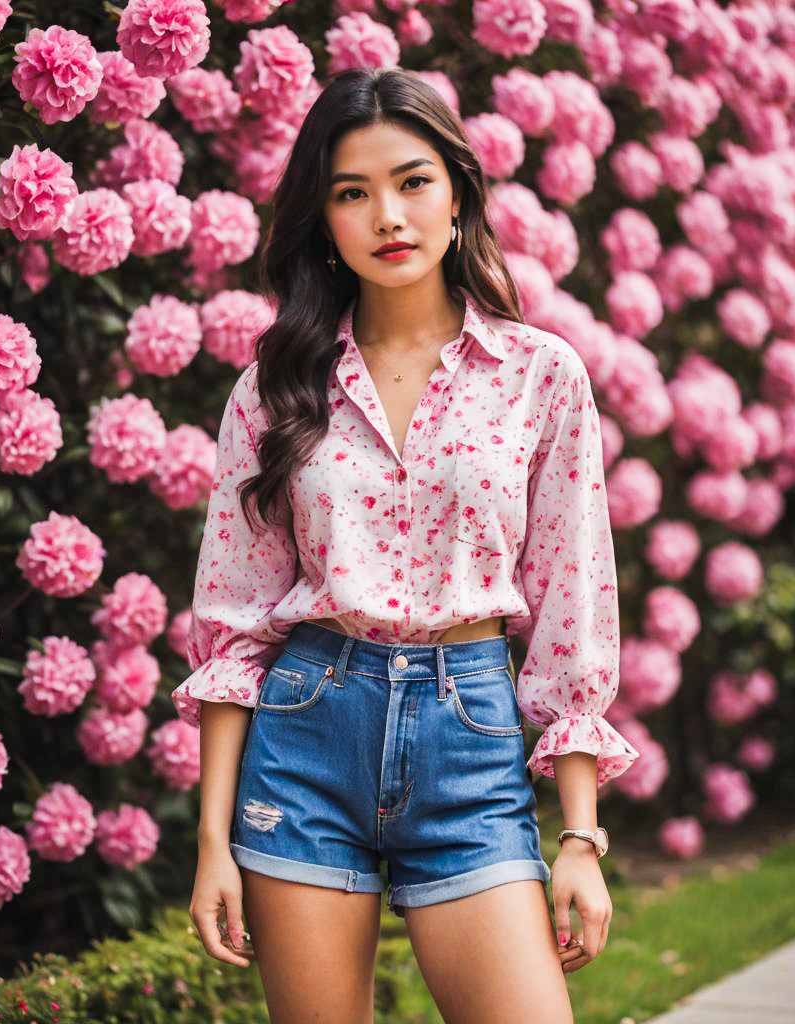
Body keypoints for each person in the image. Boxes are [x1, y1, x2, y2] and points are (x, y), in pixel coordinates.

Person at [173, 67, 639, 1024]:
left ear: (460, 194)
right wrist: (214, 841)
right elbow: (234, 624)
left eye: (413, 180)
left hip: (467, 742)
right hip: (304, 736)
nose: (388, 214)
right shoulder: (276, 384)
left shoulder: (541, 377)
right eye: (352, 192)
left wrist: (581, 842)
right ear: (325, 219)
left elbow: (572, 612)